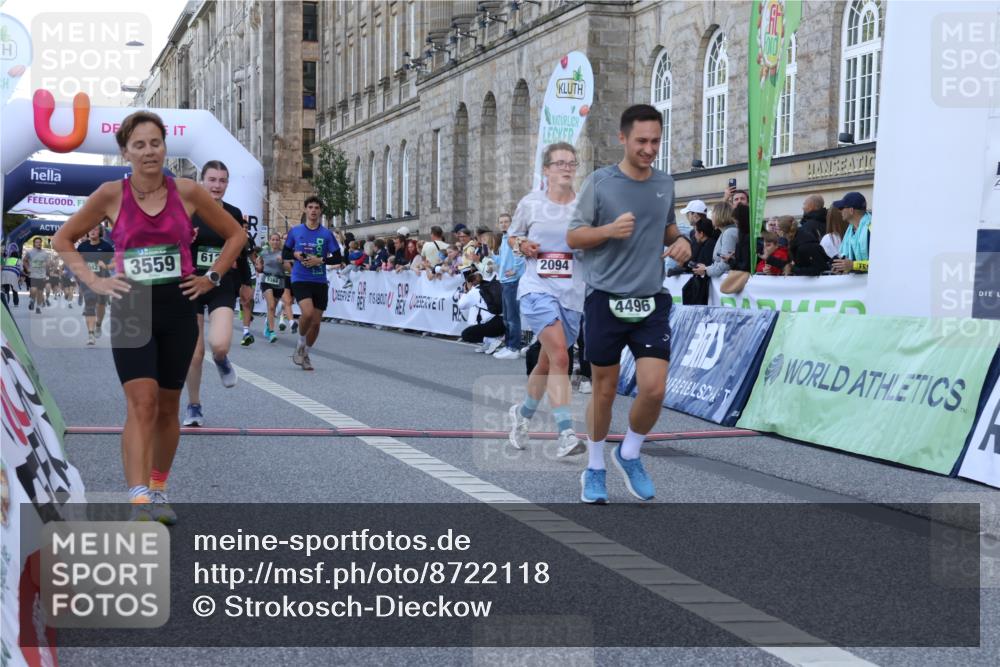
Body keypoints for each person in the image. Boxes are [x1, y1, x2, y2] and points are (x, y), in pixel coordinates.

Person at [51, 110, 244, 523]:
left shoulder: (188, 192)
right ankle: (138, 499)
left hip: (178, 306)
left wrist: (212, 277)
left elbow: (236, 235)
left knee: (168, 407)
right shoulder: (109, 194)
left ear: (164, 147)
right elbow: (63, 238)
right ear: (126, 151)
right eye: (139, 144)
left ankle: (158, 488)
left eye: (155, 142)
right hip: (131, 307)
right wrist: (95, 282)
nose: (148, 151)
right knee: (142, 402)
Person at [567, 104, 692, 505]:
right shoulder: (600, 183)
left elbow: (667, 226)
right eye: (641, 141)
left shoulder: (664, 183)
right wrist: (607, 230)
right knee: (603, 391)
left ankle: (630, 453)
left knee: (654, 389)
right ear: (622, 138)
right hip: (605, 298)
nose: (649, 148)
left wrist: (682, 240)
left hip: (651, 300)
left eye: (655, 141)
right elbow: (573, 237)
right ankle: (596, 467)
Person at [506, 142, 587, 458]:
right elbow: (513, 236)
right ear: (546, 169)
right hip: (536, 289)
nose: (567, 167)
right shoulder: (531, 203)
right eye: (560, 163)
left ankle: (522, 415)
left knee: (547, 361)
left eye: (571, 162)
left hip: (571, 294)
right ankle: (566, 433)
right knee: (561, 358)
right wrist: (522, 245)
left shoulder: (584, 208)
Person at [182, 160, 246, 427]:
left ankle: (221, 360)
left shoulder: (233, 212)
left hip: (221, 283)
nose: (217, 186)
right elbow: (169, 246)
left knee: (219, 344)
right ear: (202, 181)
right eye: (212, 180)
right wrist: (186, 239)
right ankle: (194, 406)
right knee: (195, 353)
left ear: (227, 184)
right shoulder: (187, 211)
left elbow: (240, 249)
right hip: (192, 283)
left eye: (222, 181)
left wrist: (246, 282)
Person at [284, 195, 343, 371]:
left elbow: (339, 258)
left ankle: (306, 354)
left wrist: (320, 260)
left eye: (316, 208)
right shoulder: (296, 232)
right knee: (307, 314)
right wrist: (294, 255)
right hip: (300, 278)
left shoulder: (326, 234)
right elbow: (285, 253)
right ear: (305, 209)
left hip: (319, 280)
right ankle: (300, 342)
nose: (313, 211)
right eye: (310, 207)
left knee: (316, 323)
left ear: (320, 211)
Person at [76, 226, 115, 345]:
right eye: (90, 229)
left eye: (96, 230)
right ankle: (91, 334)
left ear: (100, 232)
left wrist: (107, 266)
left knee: (101, 305)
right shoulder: (82, 247)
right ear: (87, 232)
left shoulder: (106, 247)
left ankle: (98, 324)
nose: (92, 231)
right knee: (90, 303)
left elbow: (115, 261)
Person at [496, 212, 526, 360]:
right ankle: (509, 345)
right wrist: (490, 257)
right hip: (504, 281)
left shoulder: (513, 237)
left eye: (506, 221)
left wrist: (515, 270)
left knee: (513, 317)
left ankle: (514, 347)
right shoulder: (504, 238)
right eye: (501, 222)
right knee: (507, 317)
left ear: (511, 223)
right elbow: (502, 259)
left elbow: (519, 256)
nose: (503, 224)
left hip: (512, 282)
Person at [458, 260, 505, 353]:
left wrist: (466, 291)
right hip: (503, 321)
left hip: (493, 324)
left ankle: (494, 340)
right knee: (481, 322)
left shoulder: (475, 290)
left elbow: (461, 305)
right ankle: (489, 342)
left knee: (466, 334)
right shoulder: (493, 285)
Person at [693, 202, 738, 281]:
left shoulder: (729, 233)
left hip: (729, 283)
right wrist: (706, 268)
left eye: (712, 212)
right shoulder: (726, 232)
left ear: (719, 214)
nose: (710, 216)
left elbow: (725, 264)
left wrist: (706, 270)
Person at [257, 232, 288, 343]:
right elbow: (258, 264)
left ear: (280, 241)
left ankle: (267, 325)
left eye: (277, 240)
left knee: (273, 308)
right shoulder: (264, 252)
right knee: (270, 306)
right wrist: (259, 267)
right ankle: (271, 331)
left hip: (279, 282)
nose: (275, 242)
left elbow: (288, 269)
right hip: (267, 280)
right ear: (269, 241)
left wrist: (283, 261)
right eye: (273, 239)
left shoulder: (283, 253)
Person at [790, 194, 831, 276]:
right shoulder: (829, 222)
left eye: (804, 204)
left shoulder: (807, 227)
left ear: (811, 206)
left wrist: (794, 269)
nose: (803, 207)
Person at [831, 192, 870, 273]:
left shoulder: (872, 229)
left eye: (841, 208)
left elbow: (880, 264)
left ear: (851, 210)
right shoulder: (850, 230)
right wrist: (841, 267)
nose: (839, 211)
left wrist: (853, 265)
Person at [236, 219, 258, 346]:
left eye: (246, 228)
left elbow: (251, 256)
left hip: (244, 271)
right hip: (232, 272)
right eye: (243, 227)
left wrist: (257, 265)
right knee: (229, 301)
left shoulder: (249, 241)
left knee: (247, 300)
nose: (245, 229)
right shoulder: (229, 237)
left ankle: (246, 333)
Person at [22, 237, 49, 313]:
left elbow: (48, 263)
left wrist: (47, 266)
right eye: (37, 242)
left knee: (40, 293)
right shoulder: (30, 252)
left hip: (42, 275)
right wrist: (27, 269)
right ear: (34, 243)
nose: (38, 243)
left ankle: (38, 307)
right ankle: (32, 300)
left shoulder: (45, 253)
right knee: (33, 290)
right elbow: (24, 260)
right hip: (33, 275)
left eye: (40, 242)